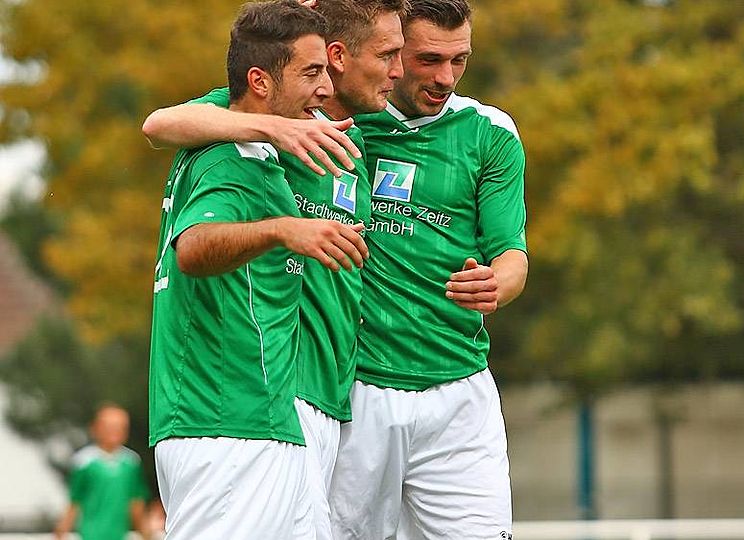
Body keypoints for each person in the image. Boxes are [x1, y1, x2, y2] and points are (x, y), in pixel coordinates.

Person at [142, 1, 404, 537]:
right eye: (311, 73)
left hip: (261, 415)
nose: (325, 88)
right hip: (230, 414)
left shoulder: (255, 152)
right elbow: (192, 247)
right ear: (260, 82)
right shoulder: (231, 152)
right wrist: (284, 230)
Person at [329, 0, 528, 538]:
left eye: (459, 60)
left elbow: (512, 254)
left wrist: (495, 284)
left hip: (460, 392)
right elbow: (180, 119)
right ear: (393, 53)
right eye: (429, 59)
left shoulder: (490, 133)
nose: (446, 77)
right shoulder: (341, 118)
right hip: (357, 390)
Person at [54, 404, 150, 540]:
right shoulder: (83, 462)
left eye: (121, 427)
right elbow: (74, 502)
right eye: (110, 427)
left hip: (119, 536)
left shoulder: (132, 462)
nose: (115, 432)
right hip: (90, 536)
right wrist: (61, 531)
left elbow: (136, 503)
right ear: (95, 428)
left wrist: (146, 533)